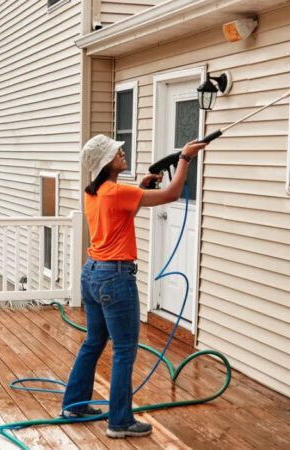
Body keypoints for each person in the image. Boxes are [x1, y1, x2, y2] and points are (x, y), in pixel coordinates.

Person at [62, 134, 206, 438]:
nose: (122, 152)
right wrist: (185, 159)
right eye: (117, 152)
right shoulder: (115, 191)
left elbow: (122, 213)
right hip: (115, 278)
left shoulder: (95, 192)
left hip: (91, 274)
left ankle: (74, 404)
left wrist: (140, 188)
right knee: (125, 350)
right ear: (106, 162)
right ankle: (120, 422)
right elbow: (171, 194)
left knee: (94, 341)